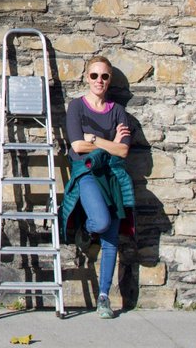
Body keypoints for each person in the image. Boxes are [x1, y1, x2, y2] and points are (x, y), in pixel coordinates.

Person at [60, 55, 135, 319]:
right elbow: (77, 146)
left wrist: (94, 139)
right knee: (101, 222)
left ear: (109, 80)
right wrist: (107, 141)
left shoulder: (117, 111)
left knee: (111, 239)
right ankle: (85, 229)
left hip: (112, 174)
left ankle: (103, 297)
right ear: (86, 77)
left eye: (104, 76)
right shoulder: (77, 107)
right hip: (87, 172)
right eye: (94, 75)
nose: (99, 81)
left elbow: (123, 151)